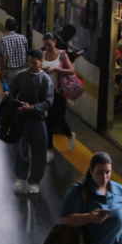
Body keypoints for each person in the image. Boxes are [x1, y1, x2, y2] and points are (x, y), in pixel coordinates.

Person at [4, 49, 54, 194]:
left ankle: (35, 181)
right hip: (21, 120)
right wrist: (8, 95)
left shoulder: (45, 80)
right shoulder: (21, 76)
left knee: (39, 152)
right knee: (19, 149)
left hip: (38, 121)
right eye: (30, 61)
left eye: (35, 62)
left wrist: (31, 108)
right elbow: (12, 91)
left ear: (41, 62)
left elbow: (48, 102)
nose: (31, 64)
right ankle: (21, 176)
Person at [42, 32, 77, 162]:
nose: (47, 48)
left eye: (49, 45)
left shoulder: (62, 55)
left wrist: (56, 70)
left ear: (55, 42)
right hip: (46, 93)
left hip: (59, 93)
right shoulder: (42, 55)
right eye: (45, 45)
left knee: (59, 119)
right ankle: (49, 150)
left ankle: (69, 135)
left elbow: (71, 70)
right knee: (47, 121)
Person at [0, 17, 28, 89]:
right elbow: (26, 52)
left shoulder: (4, 40)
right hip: (22, 70)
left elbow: (4, 57)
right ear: (17, 28)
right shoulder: (23, 38)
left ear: (6, 28)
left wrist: (2, 72)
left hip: (9, 72)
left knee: (8, 92)